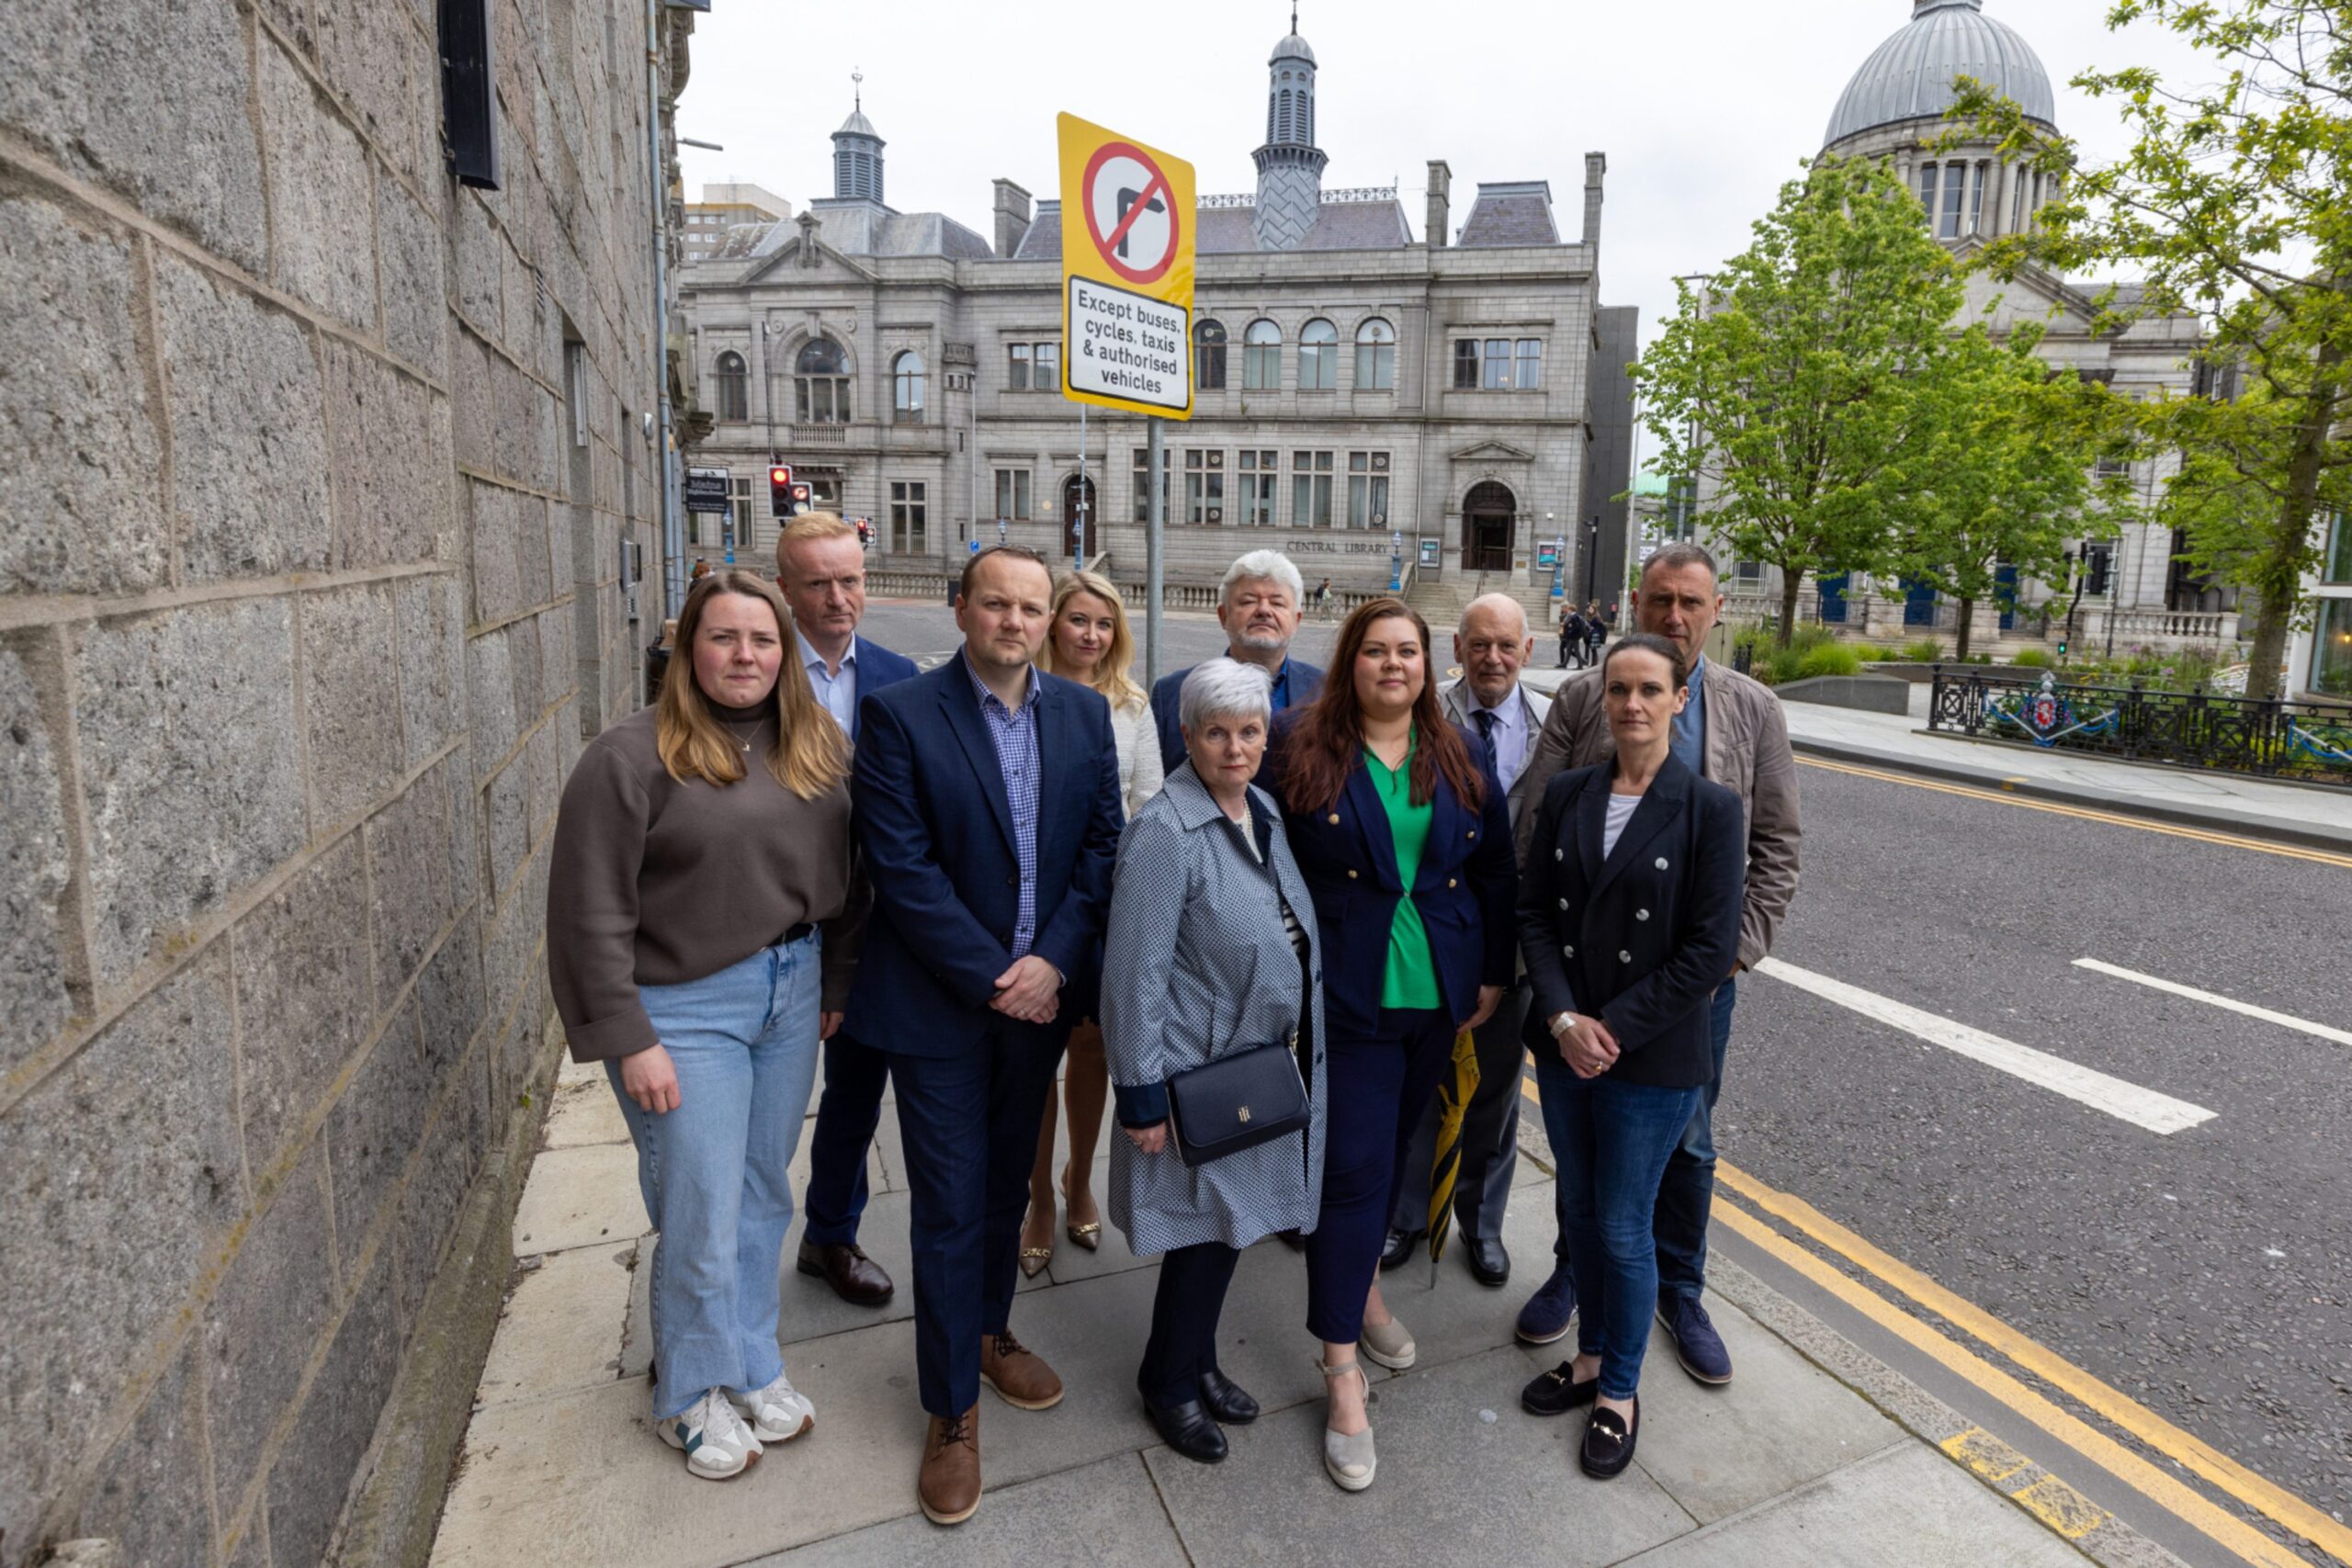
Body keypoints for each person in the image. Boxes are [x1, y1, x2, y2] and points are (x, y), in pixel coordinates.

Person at [545, 570, 861, 1481]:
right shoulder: (629, 757)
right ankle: (686, 1391)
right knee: (699, 1201)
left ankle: (749, 1360)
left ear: (784, 653)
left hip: (790, 990)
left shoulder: (816, 746)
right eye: (722, 638)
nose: (745, 656)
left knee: (762, 1190)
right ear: (688, 650)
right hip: (683, 1007)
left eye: (761, 641)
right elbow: (587, 909)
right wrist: (626, 1033)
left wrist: (832, 977)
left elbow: (850, 881)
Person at [842, 546, 1124, 1526]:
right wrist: (996, 978)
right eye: (996, 603)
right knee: (952, 1205)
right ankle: (949, 1408)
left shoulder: (1083, 714)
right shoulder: (900, 716)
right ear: (960, 609)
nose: (1014, 621)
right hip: (937, 1009)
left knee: (1009, 1187)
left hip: (1038, 1003)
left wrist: (1051, 964)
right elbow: (902, 867)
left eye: (1031, 607)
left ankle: (990, 1334)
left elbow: (1100, 846)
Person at [1510, 543, 1802, 1376]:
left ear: (1716, 612)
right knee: (1583, 1147)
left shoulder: (1751, 707)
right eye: (1660, 600)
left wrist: (1731, 959)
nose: (1674, 615)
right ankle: (1577, 1272)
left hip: (1694, 985)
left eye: (1691, 602)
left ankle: (1680, 1287)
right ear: (1635, 603)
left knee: (1691, 1144)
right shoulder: (1580, 695)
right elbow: (1537, 824)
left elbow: (1777, 843)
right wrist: (1559, 998)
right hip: (1584, 982)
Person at [1268, 598, 1516, 1492]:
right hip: (1349, 997)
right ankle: (1340, 1373)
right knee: (1354, 1170)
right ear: (1351, 662)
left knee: (1391, 1156)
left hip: (1438, 995)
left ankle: (1361, 1290)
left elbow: (1494, 867)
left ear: (1425, 663)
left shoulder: (1457, 750)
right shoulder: (1300, 745)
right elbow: (1260, 858)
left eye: (1407, 651)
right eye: (1375, 651)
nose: (1393, 665)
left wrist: (1491, 970)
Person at [1513, 632, 1746, 1478]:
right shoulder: (1573, 790)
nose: (1633, 704)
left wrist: (1609, 1024)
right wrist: (1565, 1017)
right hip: (1572, 1044)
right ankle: (1588, 1357)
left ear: (1680, 698)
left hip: (1646, 1055)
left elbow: (1709, 948)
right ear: (1602, 698)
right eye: (1619, 689)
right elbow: (1533, 911)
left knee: (1621, 1223)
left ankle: (1619, 1388)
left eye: (1650, 689)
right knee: (1578, 1211)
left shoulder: (1712, 809)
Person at [1101, 660, 1326, 1466]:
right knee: (1203, 1235)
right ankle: (1166, 1381)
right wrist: (1139, 1095)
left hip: (1254, 1069)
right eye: (1217, 732)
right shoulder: (1164, 832)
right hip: (1195, 1077)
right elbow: (1132, 976)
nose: (1237, 747)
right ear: (1187, 735)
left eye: (1251, 730)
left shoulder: (1260, 807)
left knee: (1228, 1232)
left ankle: (1197, 1360)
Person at [1382, 595, 1554, 1287]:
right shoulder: (1425, 713)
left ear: (1528, 650)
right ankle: (1407, 1215)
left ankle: (1482, 1223)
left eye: (1506, 646)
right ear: (1456, 646)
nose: (1492, 658)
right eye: (1479, 644)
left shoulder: (1555, 722)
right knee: (1418, 1086)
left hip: (1515, 944)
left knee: (1497, 1092)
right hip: (1430, 939)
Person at [778, 514, 921, 1310]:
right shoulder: (765, 672)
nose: (839, 598)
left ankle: (829, 1233)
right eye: (819, 583)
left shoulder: (900, 672)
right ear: (786, 590)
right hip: (784, 926)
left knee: (857, 1091)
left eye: (851, 580)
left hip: (880, 924)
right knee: (779, 1110)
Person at [1021, 570, 1165, 1275]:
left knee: (1094, 1048)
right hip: (1033, 904)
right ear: (1053, 623)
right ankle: (1038, 1197)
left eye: (1104, 623)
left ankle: (1079, 1179)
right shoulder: (1024, 690)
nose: (1090, 634)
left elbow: (1150, 804)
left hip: (1108, 902)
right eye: (1078, 619)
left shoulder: (1132, 706)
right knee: (1034, 1054)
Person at [1148, 550, 1325, 779]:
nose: (1263, 610)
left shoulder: (1327, 692)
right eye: (1248, 601)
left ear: (1297, 620)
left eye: (1277, 603)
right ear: (1223, 616)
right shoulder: (1171, 693)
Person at [1560, 605, 1588, 670]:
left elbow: (1575, 627)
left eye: (1568, 610)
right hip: (1572, 636)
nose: (1568, 611)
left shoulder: (1574, 617)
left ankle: (1580, 665)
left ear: (1571, 610)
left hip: (1574, 636)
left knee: (1576, 651)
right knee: (1569, 650)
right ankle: (1564, 664)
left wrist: (1569, 631)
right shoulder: (1574, 616)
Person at [1585, 600, 1608, 665]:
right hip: (1594, 633)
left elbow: (1597, 625)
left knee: (1593, 650)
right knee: (1593, 650)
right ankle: (1594, 663)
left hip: (1595, 634)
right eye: (1589, 609)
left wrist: (1591, 627)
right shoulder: (1593, 617)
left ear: (1594, 610)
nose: (1590, 610)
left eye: (1591, 609)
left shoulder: (1595, 617)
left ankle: (1594, 663)